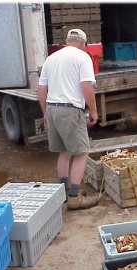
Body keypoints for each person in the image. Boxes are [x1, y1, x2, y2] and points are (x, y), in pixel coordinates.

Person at [38, 29, 99, 210]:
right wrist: (94, 110)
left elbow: (41, 90)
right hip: (70, 110)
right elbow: (86, 86)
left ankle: (63, 192)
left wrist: (45, 113)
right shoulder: (82, 57)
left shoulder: (51, 59)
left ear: (67, 41)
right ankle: (74, 198)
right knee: (82, 153)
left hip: (52, 109)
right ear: (83, 43)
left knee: (63, 152)